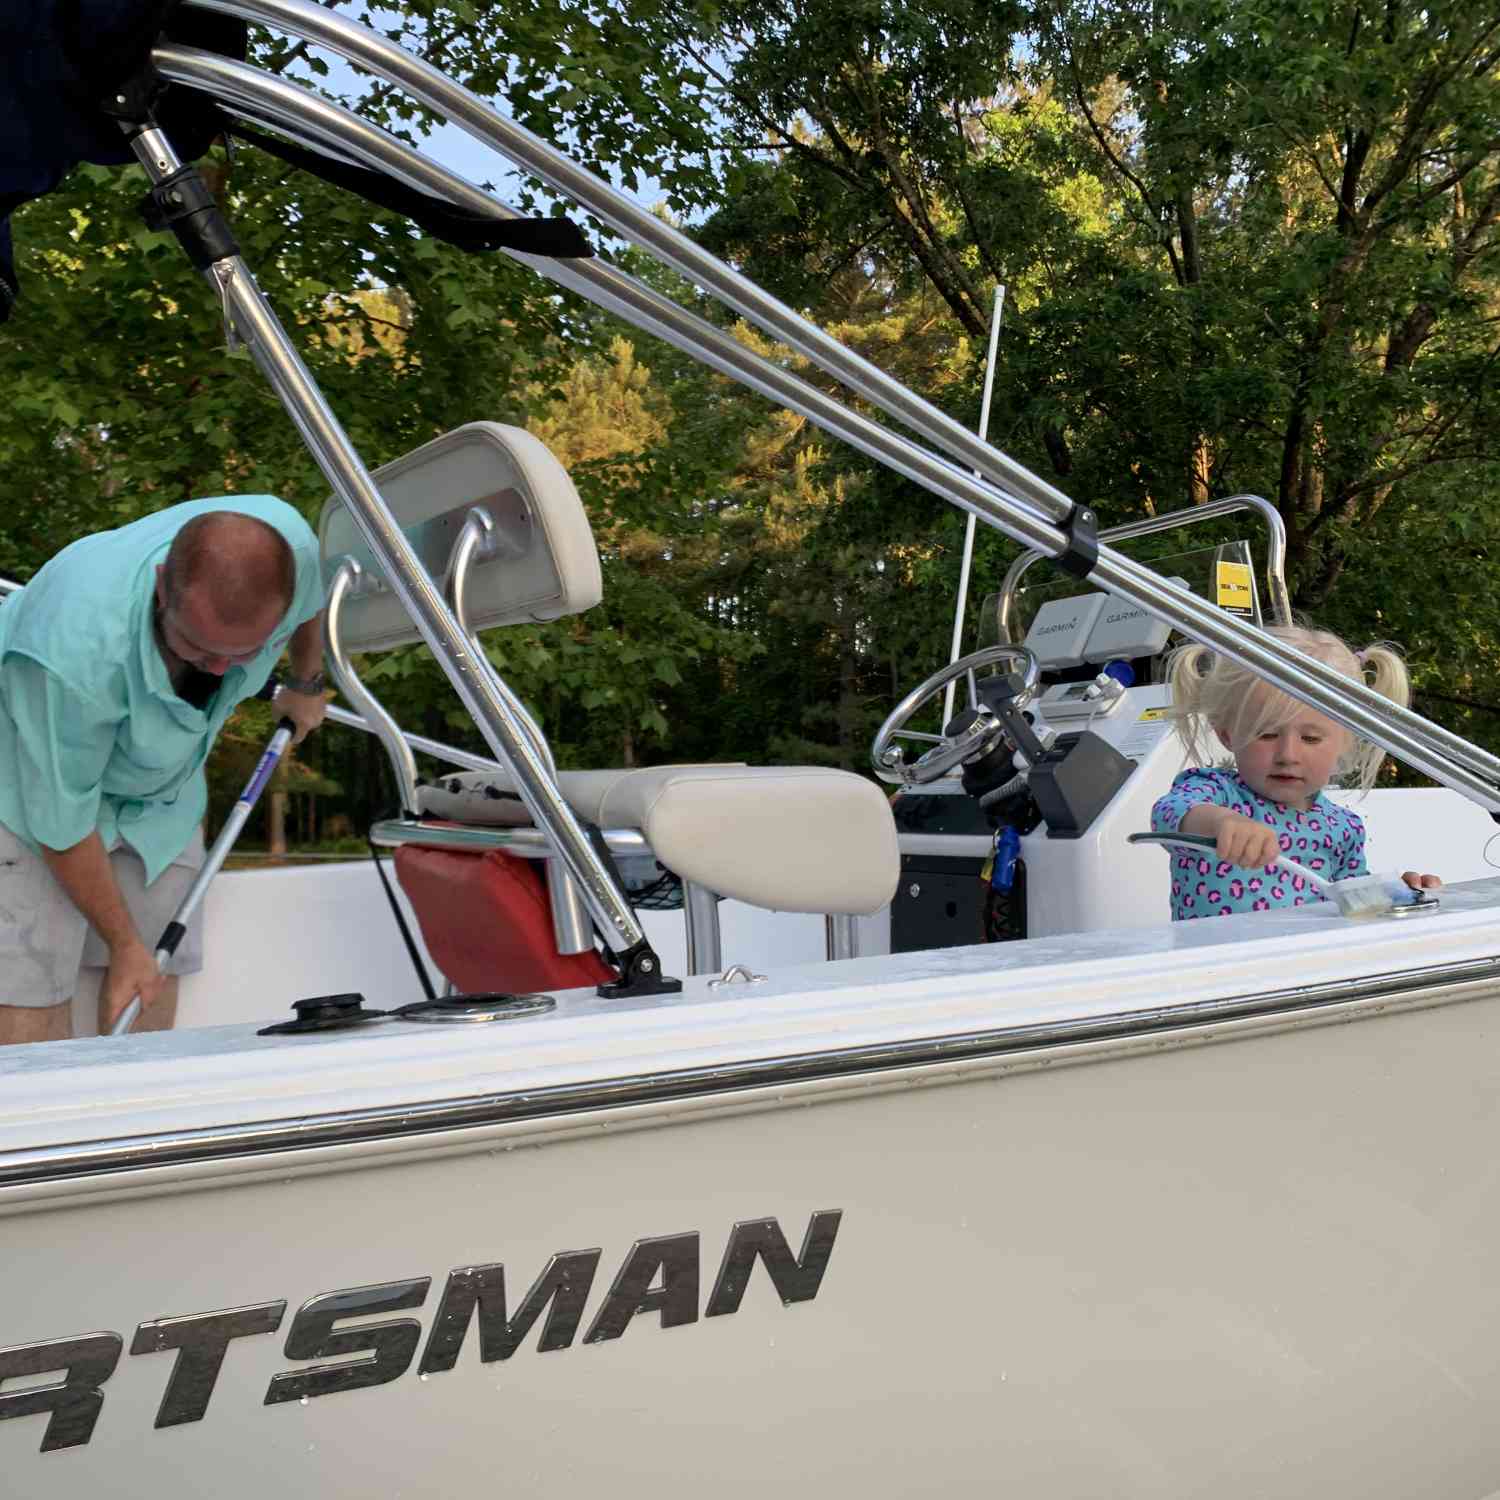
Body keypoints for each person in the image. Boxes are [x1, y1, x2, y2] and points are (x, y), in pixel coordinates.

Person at [0, 496, 328, 1044]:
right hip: (30, 769)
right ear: (160, 589)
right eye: (200, 649)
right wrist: (123, 945)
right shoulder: (68, 655)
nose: (221, 670)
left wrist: (306, 681)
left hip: (163, 788)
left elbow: (311, 598)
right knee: (31, 977)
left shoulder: (294, 546)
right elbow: (61, 825)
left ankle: (135, 1117)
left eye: (242, 653)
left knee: (155, 967)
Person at [1150, 623, 1441, 920]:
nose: (1288, 755)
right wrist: (1221, 822)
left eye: (1311, 739)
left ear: (1345, 740)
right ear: (1227, 734)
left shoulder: (1343, 827)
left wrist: (1398, 893)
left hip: (1303, 965)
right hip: (1213, 964)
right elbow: (1169, 813)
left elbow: (1357, 905)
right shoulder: (1213, 792)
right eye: (1266, 734)